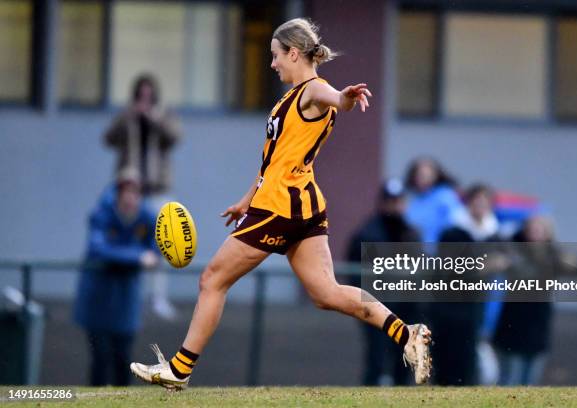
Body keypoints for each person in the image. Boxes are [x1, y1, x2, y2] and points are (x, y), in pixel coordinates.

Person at [130, 18, 431, 390]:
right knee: (326, 293)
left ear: (293, 53)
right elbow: (274, 161)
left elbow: (332, 98)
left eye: (275, 56)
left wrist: (345, 98)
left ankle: (179, 369)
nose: (272, 64)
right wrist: (245, 201)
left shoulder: (312, 90)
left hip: (279, 208)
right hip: (301, 205)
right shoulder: (292, 97)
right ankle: (407, 334)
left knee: (213, 280)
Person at [104, 73, 181, 320]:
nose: (145, 100)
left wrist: (154, 118)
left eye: (149, 95)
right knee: (127, 242)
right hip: (130, 191)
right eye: (141, 95)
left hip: (157, 188)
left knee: (164, 242)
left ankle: (158, 298)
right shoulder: (127, 114)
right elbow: (108, 138)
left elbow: (175, 137)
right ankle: (129, 297)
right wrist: (129, 116)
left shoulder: (163, 113)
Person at [74, 169, 159, 386]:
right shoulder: (101, 214)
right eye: (125, 191)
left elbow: (156, 250)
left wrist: (151, 256)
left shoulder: (148, 217)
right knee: (100, 358)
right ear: (118, 192)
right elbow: (98, 248)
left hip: (126, 298)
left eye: (135, 191)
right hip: (98, 296)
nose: (130, 197)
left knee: (123, 357)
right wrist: (137, 257)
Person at [346, 178, 423, 385]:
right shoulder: (367, 233)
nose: (395, 206)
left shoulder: (411, 232)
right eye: (391, 201)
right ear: (382, 203)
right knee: (377, 359)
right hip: (377, 307)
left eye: (399, 201)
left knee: (404, 360)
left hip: (406, 307)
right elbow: (354, 272)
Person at [493, 215, 577, 385]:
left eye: (540, 230)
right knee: (510, 379)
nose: (535, 234)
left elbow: (576, 267)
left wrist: (568, 261)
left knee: (530, 381)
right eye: (532, 229)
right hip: (514, 320)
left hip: (538, 321)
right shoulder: (513, 250)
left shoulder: (552, 254)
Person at [430, 184, 500, 386]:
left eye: (485, 202)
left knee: (468, 357)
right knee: (446, 357)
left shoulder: (492, 234)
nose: (480, 206)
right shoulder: (453, 233)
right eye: (476, 202)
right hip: (449, 306)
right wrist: (481, 268)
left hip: (475, 305)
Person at [404, 157, 462, 244]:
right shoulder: (412, 199)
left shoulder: (445, 196)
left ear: (435, 176)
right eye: (420, 175)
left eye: (426, 175)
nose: (423, 178)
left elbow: (453, 224)